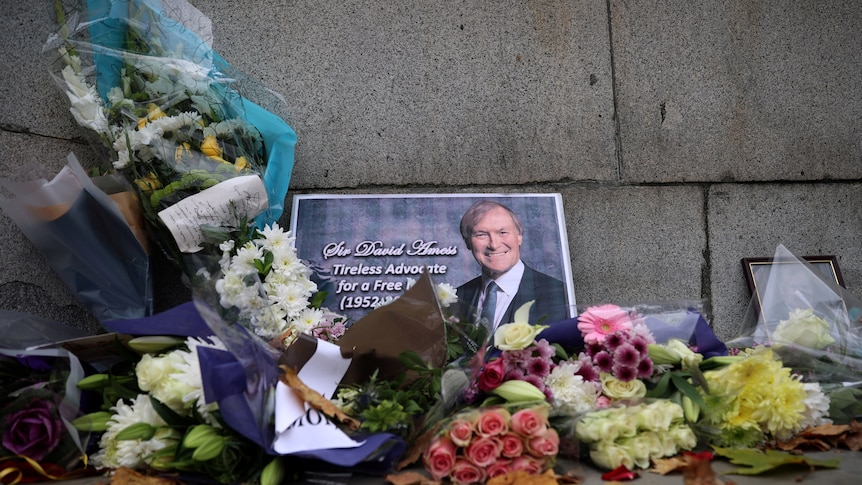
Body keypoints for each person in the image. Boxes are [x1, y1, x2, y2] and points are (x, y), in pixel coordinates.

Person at [454, 200, 569, 331]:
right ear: (467, 242)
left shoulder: (558, 294)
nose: (494, 244)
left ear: (519, 236)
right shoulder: (456, 298)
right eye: (481, 234)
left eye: (502, 232)